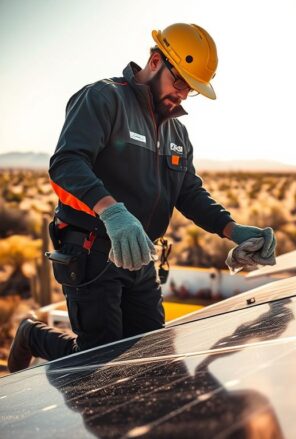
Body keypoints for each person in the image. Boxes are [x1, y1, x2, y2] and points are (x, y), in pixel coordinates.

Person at [8, 23, 277, 373]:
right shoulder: (105, 98)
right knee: (98, 365)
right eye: (179, 81)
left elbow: (189, 192)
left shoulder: (177, 132)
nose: (182, 94)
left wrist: (233, 229)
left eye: (190, 89)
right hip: (92, 250)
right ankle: (32, 334)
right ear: (154, 62)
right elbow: (66, 163)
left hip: (141, 256)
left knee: (153, 359)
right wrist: (112, 212)